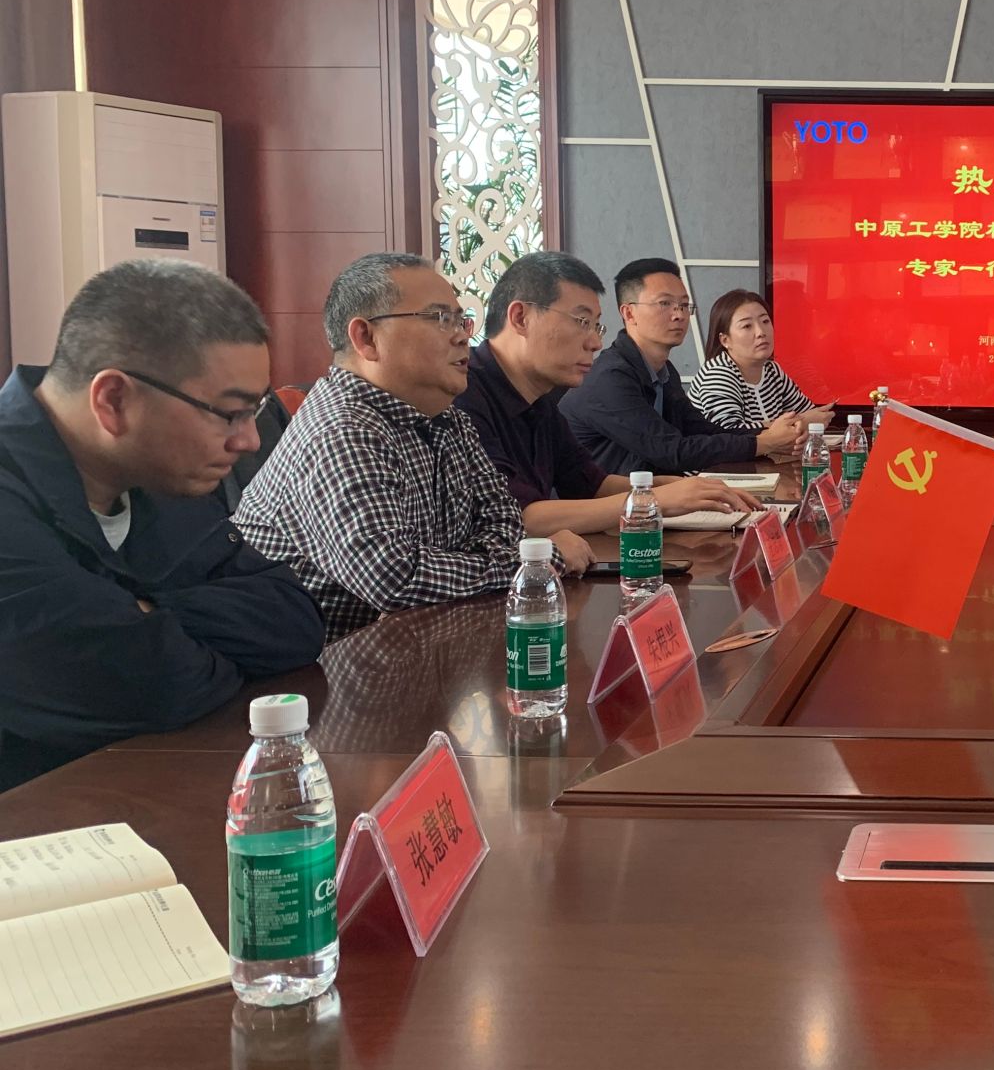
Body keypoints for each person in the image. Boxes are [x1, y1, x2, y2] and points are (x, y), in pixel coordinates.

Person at [0, 261, 324, 789]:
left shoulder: (157, 476)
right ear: (114, 400)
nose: (249, 442)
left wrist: (145, 613)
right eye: (229, 413)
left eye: (256, 411)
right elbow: (163, 685)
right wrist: (162, 632)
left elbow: (294, 620)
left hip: (148, 794)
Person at [236, 253, 537, 638]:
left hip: (419, 644)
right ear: (366, 338)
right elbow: (395, 579)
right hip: (318, 665)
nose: (463, 335)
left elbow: (504, 519)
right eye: (439, 318)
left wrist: (468, 568)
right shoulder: (342, 429)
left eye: (461, 319)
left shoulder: (448, 418)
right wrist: (529, 566)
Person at [453, 252, 758, 538]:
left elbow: (592, 484)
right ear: (521, 318)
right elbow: (518, 516)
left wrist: (672, 487)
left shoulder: (540, 399)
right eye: (581, 322)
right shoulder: (462, 396)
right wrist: (655, 499)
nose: (595, 343)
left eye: (596, 326)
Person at [559, 258, 803, 475]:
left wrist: (767, 433)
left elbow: (700, 430)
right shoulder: (610, 378)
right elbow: (670, 450)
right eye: (665, 304)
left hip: (647, 497)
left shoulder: (664, 371)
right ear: (629, 313)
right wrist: (766, 442)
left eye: (684, 305)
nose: (679, 315)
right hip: (597, 507)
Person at [686, 289, 834, 438]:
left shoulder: (772, 370)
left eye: (765, 321)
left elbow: (808, 413)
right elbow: (730, 435)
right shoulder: (717, 374)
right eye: (747, 326)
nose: (761, 332)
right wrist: (799, 422)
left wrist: (803, 423)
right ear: (725, 340)